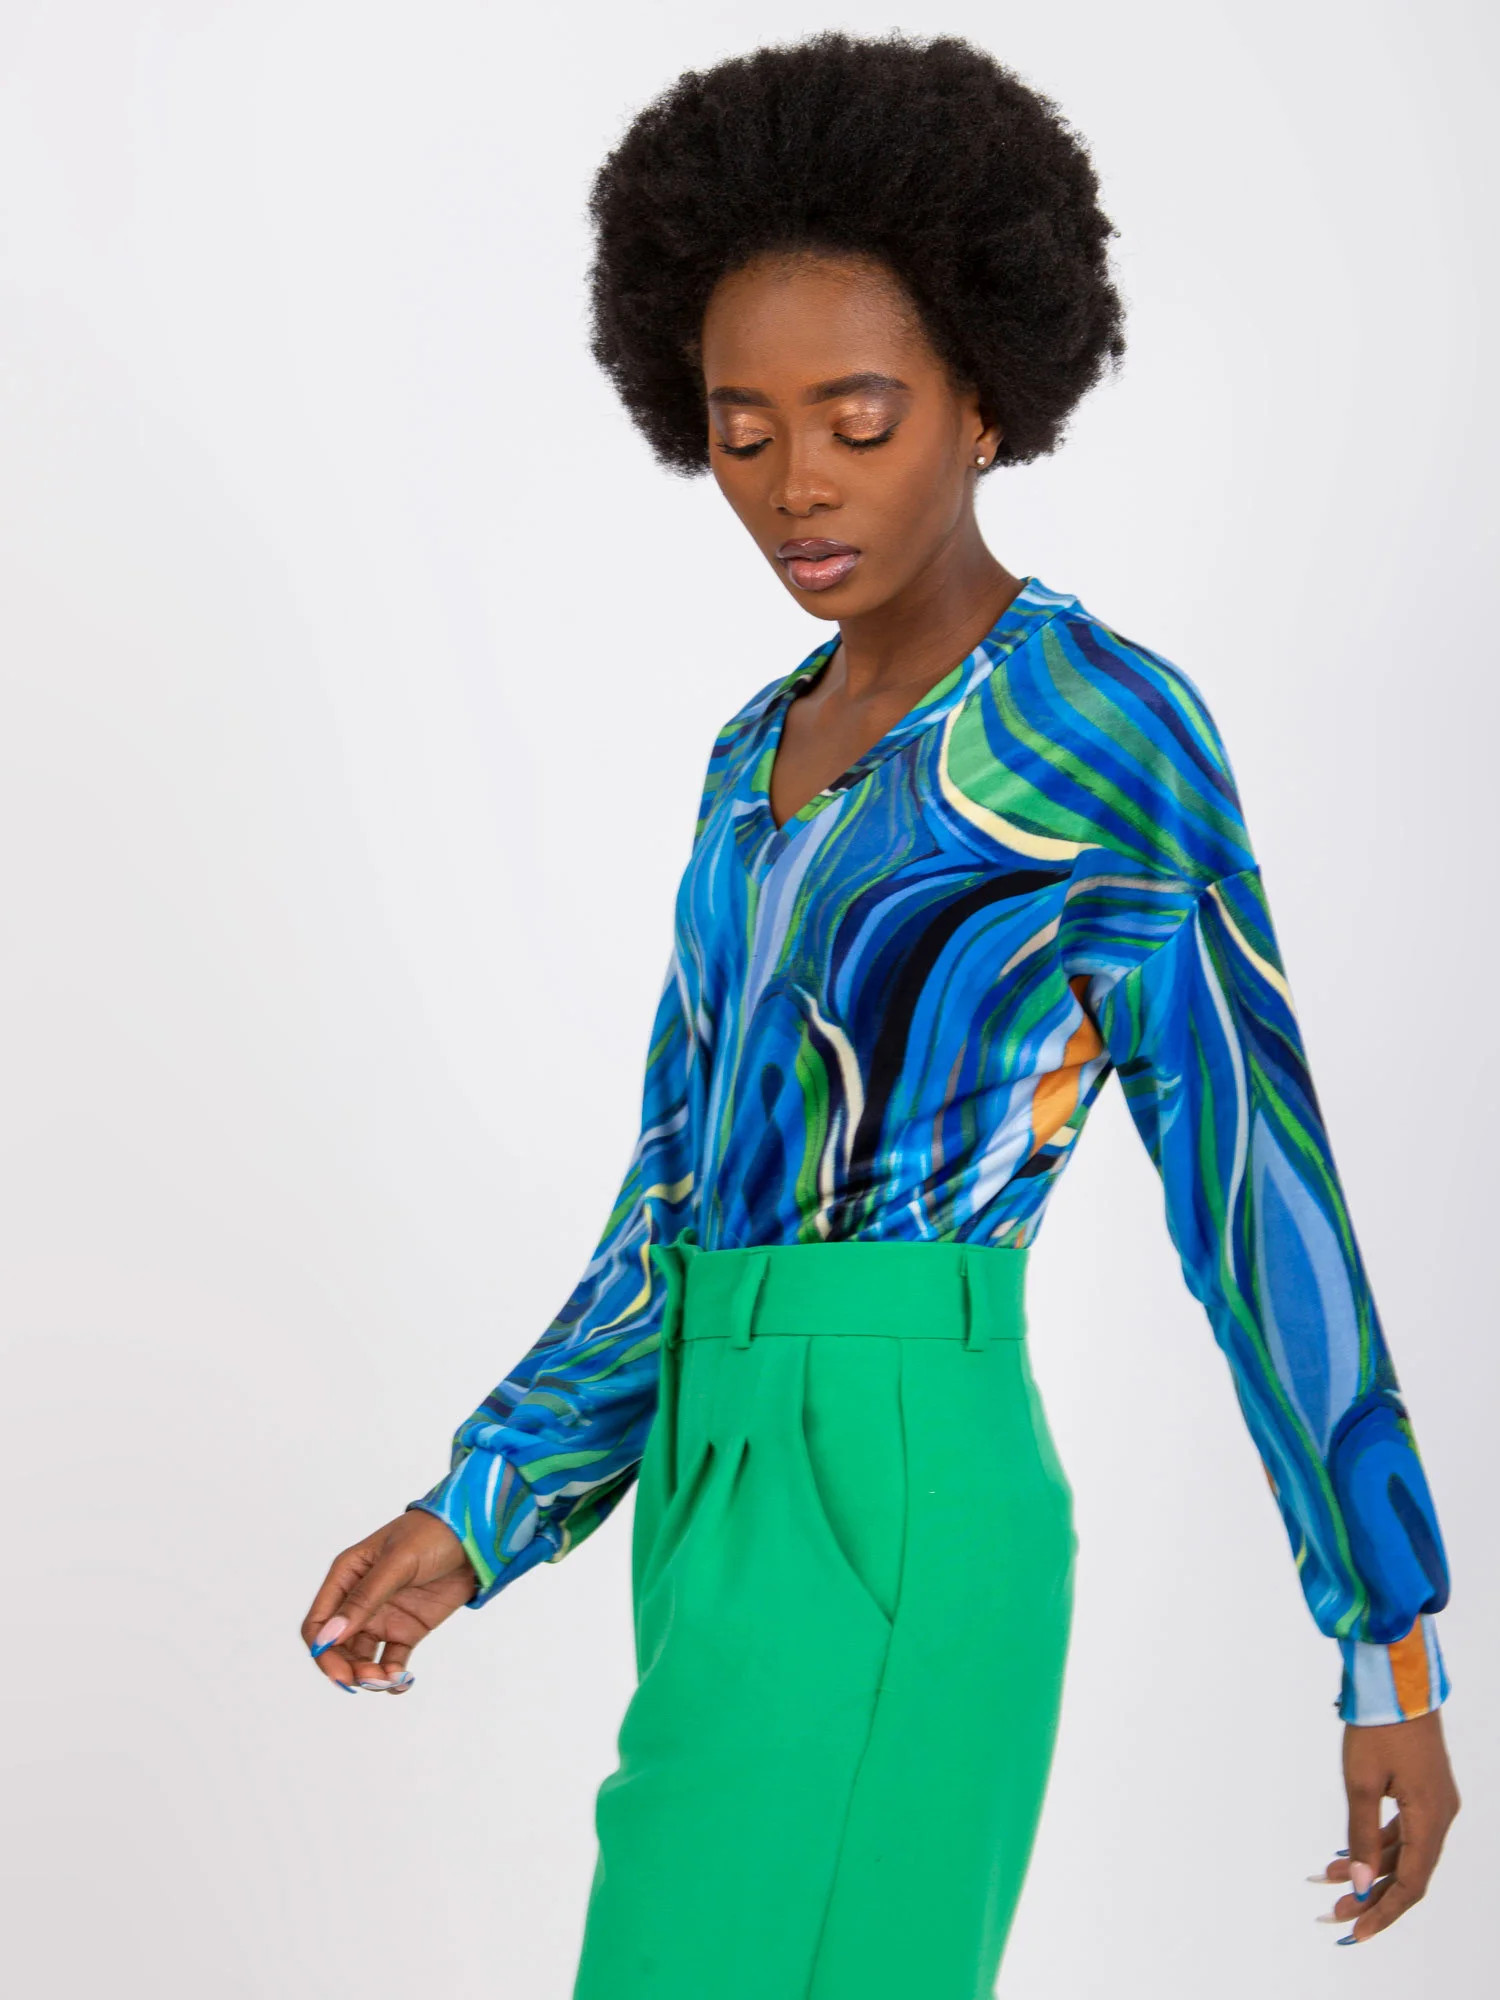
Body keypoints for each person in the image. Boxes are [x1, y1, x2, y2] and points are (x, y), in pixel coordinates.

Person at [299, 31, 1460, 1996]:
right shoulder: (749, 757)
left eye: (857, 416)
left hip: (904, 1473)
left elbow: (1262, 1197)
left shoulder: (1098, 735)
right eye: (742, 430)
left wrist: (1389, 1651)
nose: (795, 484)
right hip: (708, 1486)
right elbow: (678, 1197)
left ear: (986, 399)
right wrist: (480, 1508)